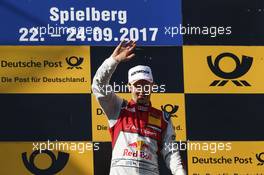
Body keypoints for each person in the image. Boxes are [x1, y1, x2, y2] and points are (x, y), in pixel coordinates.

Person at [92, 40, 186, 175]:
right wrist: (113, 60)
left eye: (146, 85)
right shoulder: (118, 108)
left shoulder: (162, 118)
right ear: (130, 87)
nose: (142, 90)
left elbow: (171, 152)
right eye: (138, 85)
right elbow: (98, 86)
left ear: (153, 87)